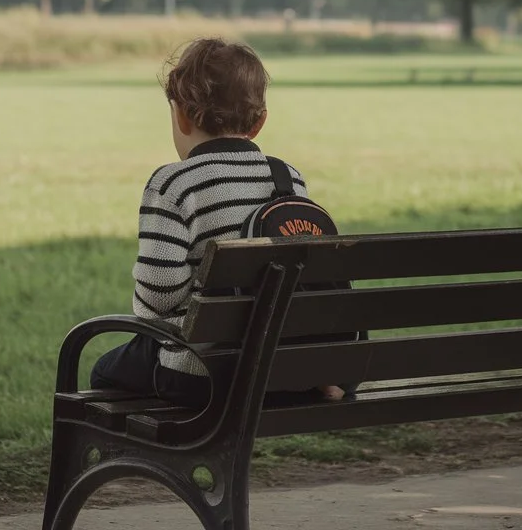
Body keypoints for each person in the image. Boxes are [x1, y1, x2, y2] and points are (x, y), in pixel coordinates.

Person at [90, 37, 344, 409]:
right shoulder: (288, 179)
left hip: (202, 372)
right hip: (281, 366)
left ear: (180, 116)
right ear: (259, 123)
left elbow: (159, 297)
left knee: (105, 371)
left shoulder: (174, 184)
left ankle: (168, 446)